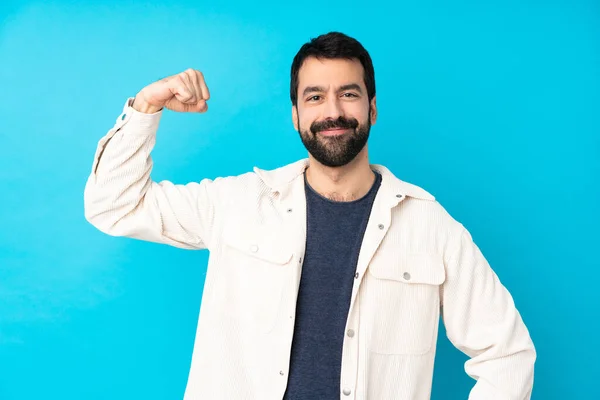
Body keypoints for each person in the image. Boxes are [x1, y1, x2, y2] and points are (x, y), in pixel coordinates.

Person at [84, 31, 536, 400]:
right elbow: (113, 206)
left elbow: (507, 353)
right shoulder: (239, 202)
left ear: (372, 109)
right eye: (315, 97)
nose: (334, 111)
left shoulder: (431, 228)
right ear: (296, 114)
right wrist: (146, 107)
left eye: (349, 94)